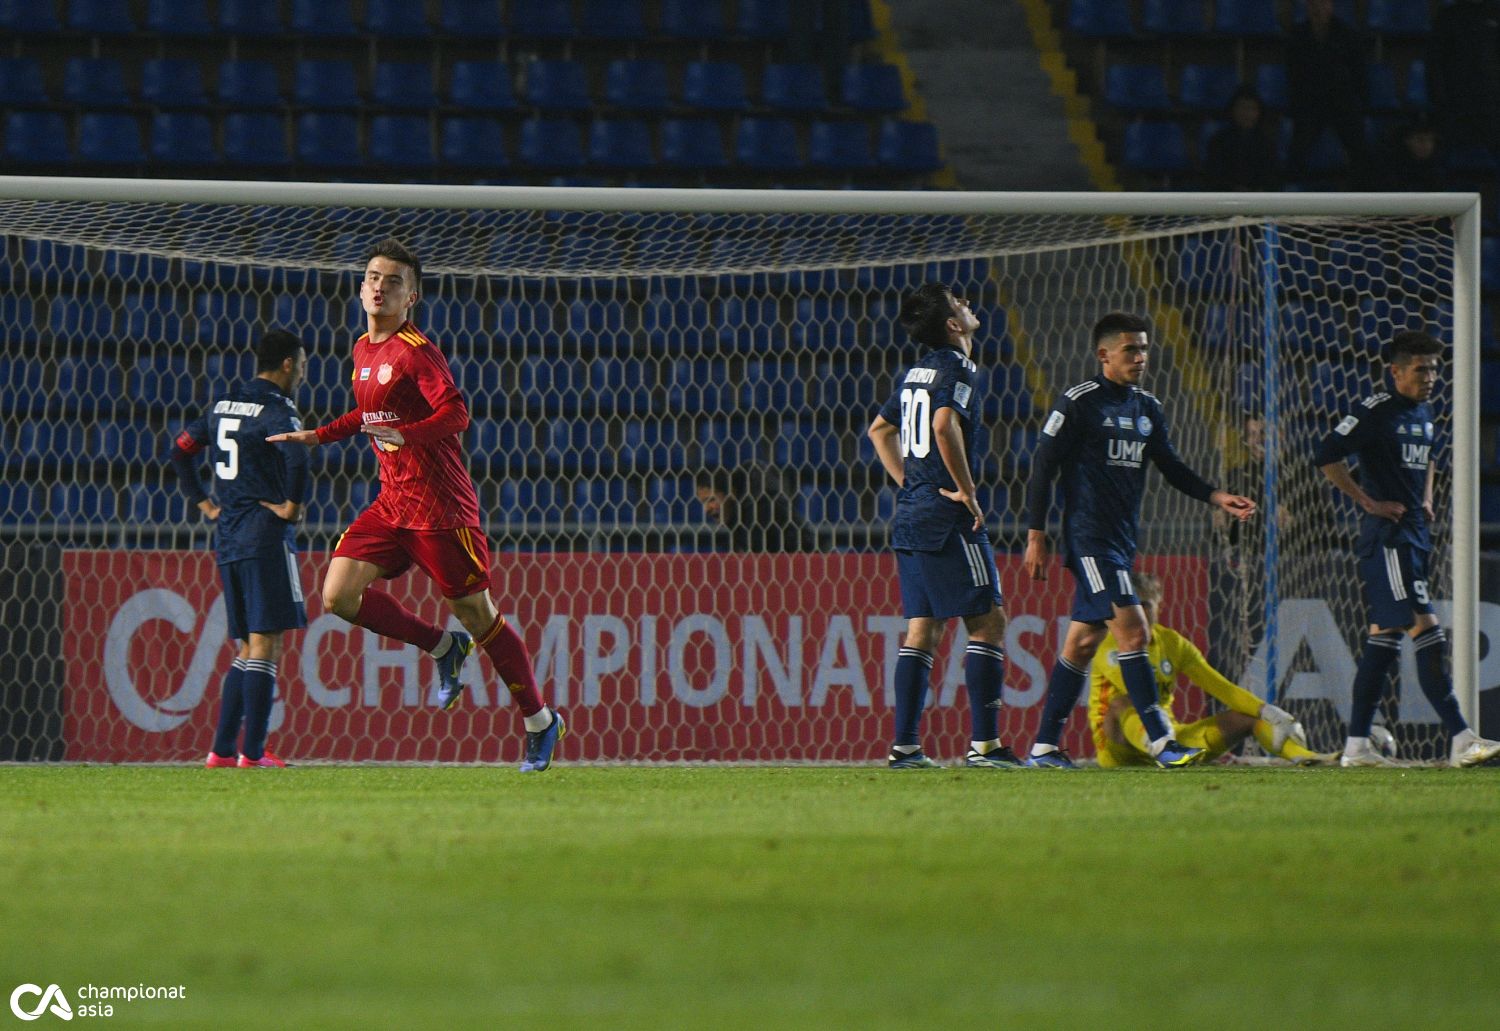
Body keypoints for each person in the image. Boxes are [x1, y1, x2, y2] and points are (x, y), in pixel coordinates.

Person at [268, 239, 563, 772]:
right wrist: (320, 437)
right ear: (361, 289)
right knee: (337, 596)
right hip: (391, 505)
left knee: (479, 615)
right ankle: (440, 648)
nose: (380, 286)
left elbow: (455, 415)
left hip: (441, 510)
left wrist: (408, 435)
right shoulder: (362, 349)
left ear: (413, 297)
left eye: (394, 281)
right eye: (373, 277)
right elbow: (366, 417)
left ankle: (540, 721)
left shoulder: (416, 351)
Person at [1023, 312, 1257, 769]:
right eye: (1131, 349)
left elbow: (1170, 466)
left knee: (1081, 646)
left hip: (1120, 541)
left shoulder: (1147, 407)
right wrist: (1036, 534)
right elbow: (1041, 468)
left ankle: (1045, 746)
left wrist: (1216, 496)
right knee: (1135, 632)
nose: (1141, 357)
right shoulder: (1078, 403)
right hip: (1089, 540)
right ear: (1103, 355)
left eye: (1145, 348)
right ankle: (1162, 741)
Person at [1313, 331, 1500, 768]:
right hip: (1389, 540)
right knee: (1428, 634)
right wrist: (1367, 501)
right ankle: (1461, 737)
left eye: (1435, 368)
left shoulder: (1424, 411)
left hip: (1415, 537)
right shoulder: (1376, 412)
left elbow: (1431, 455)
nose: (1431, 376)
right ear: (1396, 372)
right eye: (1421, 368)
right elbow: (1325, 454)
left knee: (1384, 640)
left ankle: (1357, 745)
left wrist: (1429, 497)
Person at [866, 283, 1023, 770]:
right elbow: (942, 425)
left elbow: (879, 430)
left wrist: (911, 481)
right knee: (989, 622)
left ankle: (906, 748)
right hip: (947, 515)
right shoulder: (958, 366)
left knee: (923, 631)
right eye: (960, 305)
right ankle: (985, 746)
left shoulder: (916, 371)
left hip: (912, 513)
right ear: (954, 326)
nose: (969, 306)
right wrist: (967, 490)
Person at [170, 329, 309, 769]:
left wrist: (205, 504)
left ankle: (222, 750)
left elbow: (180, 451)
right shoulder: (277, 411)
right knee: (266, 644)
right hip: (265, 537)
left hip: (228, 538)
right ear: (288, 364)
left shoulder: (222, 405)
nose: (303, 371)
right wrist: (291, 506)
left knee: (248, 648)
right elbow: (299, 458)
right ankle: (253, 753)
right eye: (301, 364)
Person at [1090, 573, 1336, 767]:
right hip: (1117, 746)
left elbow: (1221, 687)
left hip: (1171, 735)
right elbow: (1130, 686)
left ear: (1159, 605)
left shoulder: (1173, 643)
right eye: (1133, 606)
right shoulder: (1109, 642)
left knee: (1247, 717)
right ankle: (1163, 750)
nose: (1140, 612)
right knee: (1124, 701)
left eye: (1146, 604)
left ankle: (1305, 757)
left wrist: (1268, 711)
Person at [1285, 0, 1368, 185]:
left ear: (1331, 6)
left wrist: (1356, 101)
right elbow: (1293, 75)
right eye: (1314, 4)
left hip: (1342, 102)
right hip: (1310, 104)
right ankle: (1291, 194)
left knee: (1360, 150)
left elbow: (1358, 74)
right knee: (1297, 150)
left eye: (1323, 4)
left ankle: (1364, 194)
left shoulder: (1347, 34)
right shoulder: (1298, 35)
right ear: (1307, 7)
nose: (1318, 9)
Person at [1428, 0, 1500, 155]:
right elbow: (1434, 62)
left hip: (1492, 103)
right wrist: (1441, 100)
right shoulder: (1448, 16)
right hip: (1457, 103)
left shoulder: (1496, 12)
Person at [694, 465, 817, 552]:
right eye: (703, 503)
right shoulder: (739, 517)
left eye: (711, 500)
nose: (706, 509)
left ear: (730, 492)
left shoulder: (759, 513)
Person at [1202, 86, 1282, 192]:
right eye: (1243, 108)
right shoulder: (1219, 141)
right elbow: (1213, 177)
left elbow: (1272, 179)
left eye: (1252, 108)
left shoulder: (1266, 144)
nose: (1247, 114)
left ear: (1259, 112)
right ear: (1233, 110)